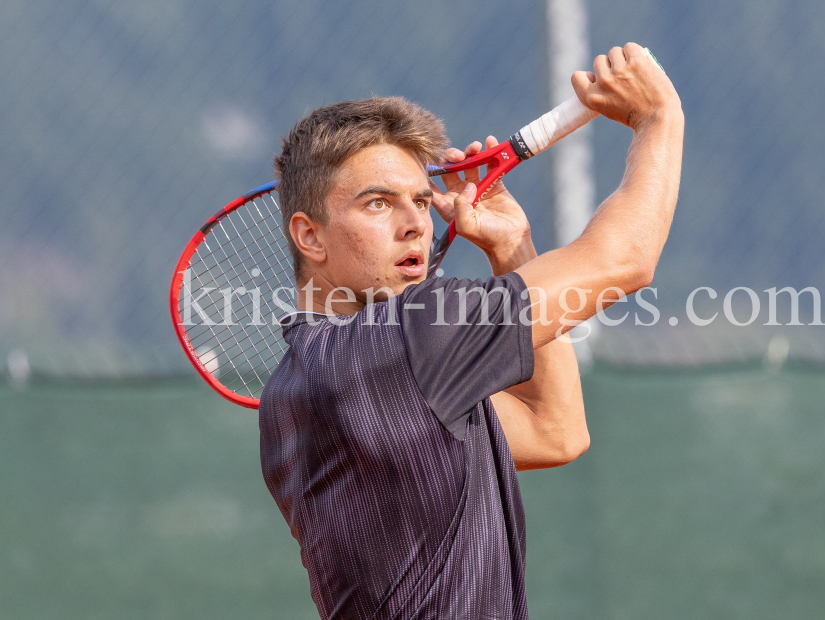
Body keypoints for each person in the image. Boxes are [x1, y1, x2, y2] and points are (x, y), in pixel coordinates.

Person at [259, 42, 683, 620]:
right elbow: (625, 258)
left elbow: (554, 430)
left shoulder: (294, 389)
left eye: (417, 200)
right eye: (378, 203)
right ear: (309, 237)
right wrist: (659, 119)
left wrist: (512, 249)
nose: (414, 224)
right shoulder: (408, 341)